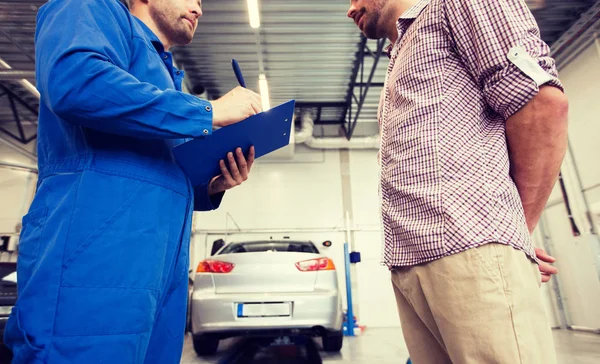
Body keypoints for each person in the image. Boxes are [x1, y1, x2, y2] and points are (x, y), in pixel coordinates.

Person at [5, 0, 263, 363]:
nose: (200, 10)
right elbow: (75, 81)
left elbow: (157, 171)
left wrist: (211, 185)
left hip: (158, 274)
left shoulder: (164, 76)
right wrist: (208, 110)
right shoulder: (89, 7)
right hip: (93, 262)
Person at [347, 0, 568, 363]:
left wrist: (518, 231)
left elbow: (541, 104)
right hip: (411, 261)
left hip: (469, 246)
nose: (349, 9)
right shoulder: (403, 48)